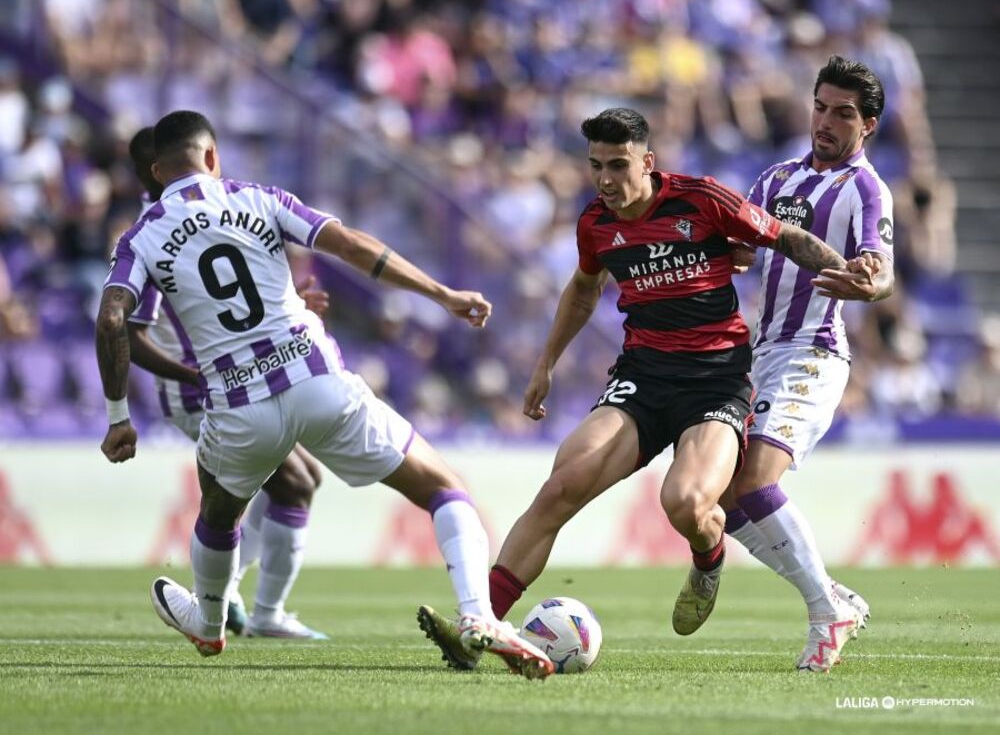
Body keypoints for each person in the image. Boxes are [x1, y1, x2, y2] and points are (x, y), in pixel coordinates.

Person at [96, 110, 554, 679]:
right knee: (444, 488)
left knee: (218, 510)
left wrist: (119, 416)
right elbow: (354, 246)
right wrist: (441, 294)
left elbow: (114, 318)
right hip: (316, 380)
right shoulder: (260, 197)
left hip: (238, 406)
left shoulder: (141, 235)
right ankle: (477, 615)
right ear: (213, 157)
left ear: (158, 171)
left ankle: (209, 625)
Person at [420, 106, 870, 671]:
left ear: (647, 162)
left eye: (618, 164)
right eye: (595, 166)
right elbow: (583, 291)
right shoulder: (595, 224)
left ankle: (707, 558)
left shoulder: (703, 200)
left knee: (685, 502)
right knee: (562, 486)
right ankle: (479, 628)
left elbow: (789, 238)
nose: (605, 179)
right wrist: (546, 365)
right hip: (642, 377)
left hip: (715, 382)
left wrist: (848, 273)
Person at [717, 55, 895, 671]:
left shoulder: (866, 189)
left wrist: (869, 284)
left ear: (867, 124)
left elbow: (881, 273)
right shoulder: (773, 180)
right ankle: (830, 596)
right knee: (723, 501)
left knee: (757, 482)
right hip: (760, 356)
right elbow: (741, 250)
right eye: (820, 106)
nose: (826, 121)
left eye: (842, 113)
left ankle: (826, 611)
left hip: (814, 354)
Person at [125, 126, 328, 640]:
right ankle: (256, 608)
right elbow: (131, 332)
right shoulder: (154, 235)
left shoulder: (192, 220)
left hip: (235, 381)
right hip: (200, 389)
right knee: (295, 481)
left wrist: (294, 305)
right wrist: (191, 372)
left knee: (295, 481)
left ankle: (239, 596)